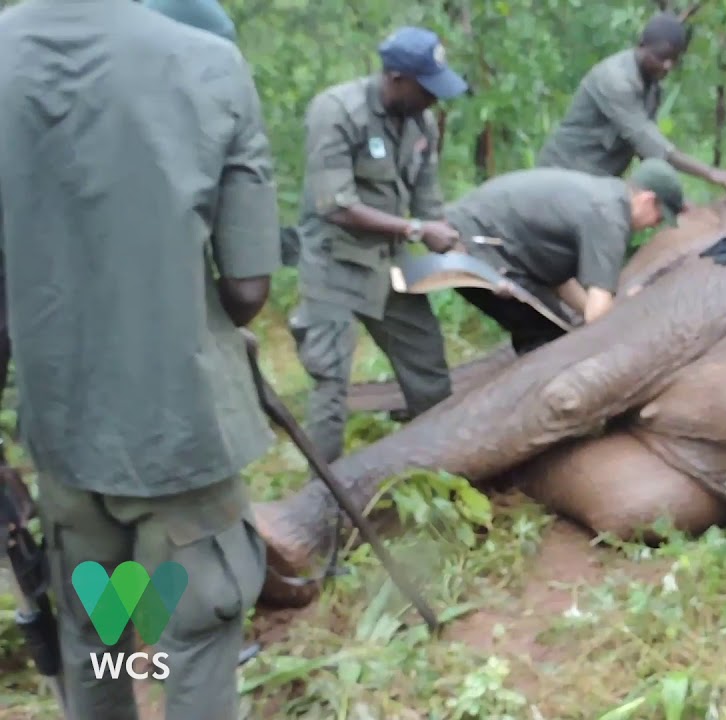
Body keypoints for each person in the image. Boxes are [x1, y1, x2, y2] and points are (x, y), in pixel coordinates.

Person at [0, 0, 281, 717]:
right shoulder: (207, 62)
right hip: (176, 445)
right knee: (191, 636)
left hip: (64, 440)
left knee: (101, 633)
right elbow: (247, 288)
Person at [292, 26, 468, 462]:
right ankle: (325, 498)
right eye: (426, 88)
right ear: (395, 78)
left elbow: (427, 196)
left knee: (427, 364)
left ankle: (445, 468)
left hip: (389, 262)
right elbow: (336, 205)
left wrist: (453, 247)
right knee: (330, 382)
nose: (434, 99)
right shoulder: (336, 111)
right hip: (335, 262)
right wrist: (415, 230)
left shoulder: (421, 122)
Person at [446, 159, 685, 355]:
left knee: (556, 328)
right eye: (659, 217)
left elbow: (557, 276)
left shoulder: (605, 196)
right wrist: (627, 328)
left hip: (475, 237)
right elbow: (597, 317)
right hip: (476, 248)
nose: (655, 225)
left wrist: (586, 312)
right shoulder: (610, 219)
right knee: (551, 344)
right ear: (647, 200)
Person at [536, 13, 726, 189]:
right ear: (641, 46)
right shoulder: (617, 81)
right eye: (661, 56)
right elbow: (652, 144)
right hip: (561, 178)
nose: (667, 66)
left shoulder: (652, 86)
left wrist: (673, 198)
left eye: (674, 59)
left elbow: (648, 154)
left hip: (594, 183)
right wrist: (711, 174)